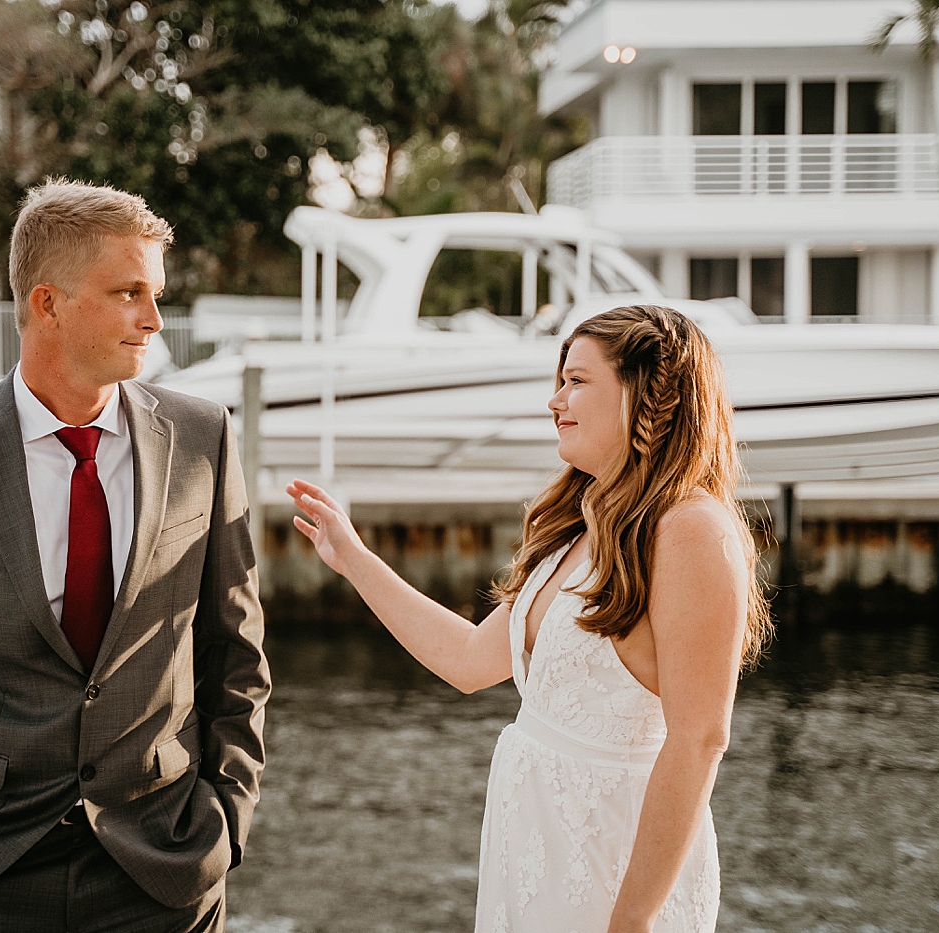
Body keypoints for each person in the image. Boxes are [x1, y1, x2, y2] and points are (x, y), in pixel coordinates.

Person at [0, 180, 270, 933]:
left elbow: (236, 647)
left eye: (154, 292)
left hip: (161, 871)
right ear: (48, 302)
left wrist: (225, 822)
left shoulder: (203, 438)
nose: (153, 319)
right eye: (130, 292)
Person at [287, 305, 772, 933]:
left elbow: (700, 738)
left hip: (618, 864)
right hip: (534, 845)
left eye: (577, 381)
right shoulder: (581, 525)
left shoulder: (691, 529)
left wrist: (632, 922)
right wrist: (353, 560)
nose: (555, 400)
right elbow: (468, 662)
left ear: (644, 396)